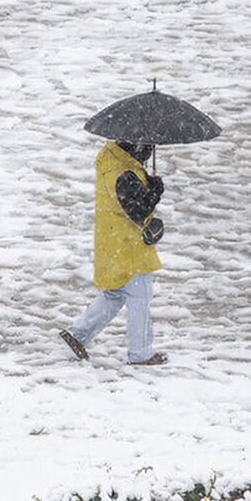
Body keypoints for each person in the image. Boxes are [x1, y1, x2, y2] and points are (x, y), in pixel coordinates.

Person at [59, 140, 168, 365]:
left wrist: (147, 182)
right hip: (130, 248)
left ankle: (78, 334)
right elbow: (137, 210)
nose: (146, 153)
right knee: (140, 298)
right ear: (135, 146)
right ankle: (141, 354)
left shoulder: (113, 159)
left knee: (114, 294)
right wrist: (155, 190)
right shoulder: (123, 173)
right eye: (145, 147)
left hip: (113, 243)